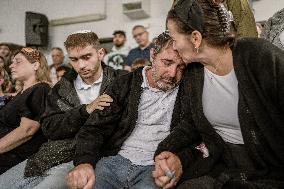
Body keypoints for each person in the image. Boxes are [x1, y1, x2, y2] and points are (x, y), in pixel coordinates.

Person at [154, 0, 284, 188]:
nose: (173, 47)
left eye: (174, 39)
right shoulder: (194, 73)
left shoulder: (257, 56)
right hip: (225, 168)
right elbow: (191, 124)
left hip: (272, 171)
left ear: (196, 38)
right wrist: (169, 153)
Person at [66, 32, 198, 189]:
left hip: (154, 168)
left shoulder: (189, 88)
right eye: (167, 62)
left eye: (181, 67)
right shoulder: (124, 84)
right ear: (152, 55)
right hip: (114, 162)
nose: (172, 73)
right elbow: (95, 127)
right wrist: (84, 162)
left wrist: (180, 159)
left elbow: (196, 135)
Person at [0, 30, 125, 189]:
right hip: (46, 156)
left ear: (100, 53)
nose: (81, 65)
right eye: (74, 59)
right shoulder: (61, 87)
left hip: (82, 160)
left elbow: (120, 127)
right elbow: (50, 127)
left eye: (87, 57)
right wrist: (85, 110)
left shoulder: (120, 81)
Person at [0, 47, 51, 174]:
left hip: (14, 159)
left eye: (18, 61)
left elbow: (27, 130)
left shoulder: (40, 89)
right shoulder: (20, 94)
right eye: (12, 62)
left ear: (35, 65)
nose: (11, 66)